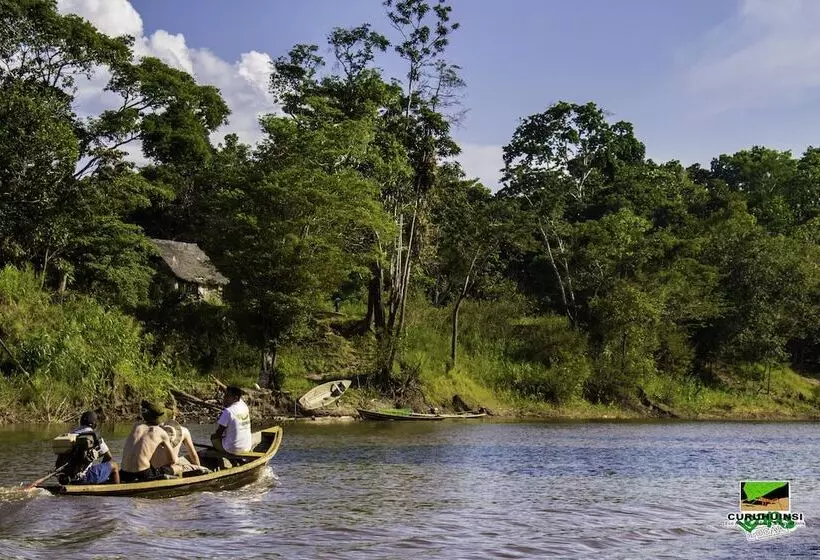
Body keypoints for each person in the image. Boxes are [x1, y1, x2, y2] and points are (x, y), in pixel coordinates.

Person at [120, 400, 180, 482]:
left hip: (124, 473)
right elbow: (172, 460)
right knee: (178, 467)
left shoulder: (136, 426)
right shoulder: (161, 433)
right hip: (143, 474)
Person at [56, 410, 120, 485]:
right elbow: (109, 457)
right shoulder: (93, 436)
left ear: (81, 422)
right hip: (84, 477)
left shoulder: (70, 434)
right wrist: (104, 472)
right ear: (94, 424)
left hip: (65, 477)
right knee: (114, 465)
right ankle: (115, 490)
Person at [211, 386, 252, 454]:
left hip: (232, 449)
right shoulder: (244, 405)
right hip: (247, 447)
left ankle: (224, 454)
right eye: (225, 395)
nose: (224, 398)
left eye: (227, 396)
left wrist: (215, 436)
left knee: (213, 437)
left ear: (235, 398)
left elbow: (219, 433)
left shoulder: (228, 411)